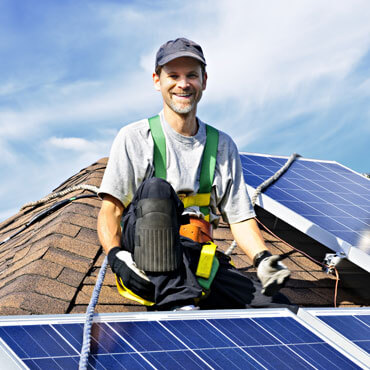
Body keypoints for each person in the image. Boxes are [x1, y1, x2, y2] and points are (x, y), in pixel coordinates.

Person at [97, 37, 293, 311]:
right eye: (173, 75)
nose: (183, 84)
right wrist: (117, 256)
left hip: (199, 254)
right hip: (149, 253)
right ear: (157, 81)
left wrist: (262, 259)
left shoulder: (222, 145)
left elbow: (240, 218)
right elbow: (111, 211)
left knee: (279, 312)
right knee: (156, 189)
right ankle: (178, 302)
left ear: (204, 81)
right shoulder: (135, 137)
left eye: (192, 75)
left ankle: (190, 291)